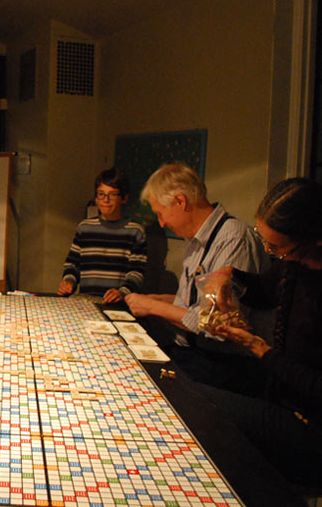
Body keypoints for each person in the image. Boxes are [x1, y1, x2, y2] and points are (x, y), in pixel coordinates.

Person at [197, 178, 322, 486]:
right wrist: (226, 275)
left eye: (275, 247)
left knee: (201, 408)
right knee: (189, 394)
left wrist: (261, 350)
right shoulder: (296, 264)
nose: (268, 251)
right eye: (263, 241)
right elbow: (266, 291)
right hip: (278, 397)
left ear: (312, 239)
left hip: (311, 426)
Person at [124, 164, 271, 390]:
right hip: (193, 354)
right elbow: (192, 304)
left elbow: (216, 324)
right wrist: (159, 300)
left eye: (160, 214)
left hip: (223, 365)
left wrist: (152, 307)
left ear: (180, 201)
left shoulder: (233, 239)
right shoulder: (196, 241)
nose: (162, 223)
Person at [58, 168, 147, 303]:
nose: (106, 200)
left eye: (112, 194)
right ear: (96, 198)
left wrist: (122, 292)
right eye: (101, 194)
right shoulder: (85, 227)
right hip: (86, 303)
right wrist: (68, 281)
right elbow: (72, 264)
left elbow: (136, 273)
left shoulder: (135, 231)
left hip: (117, 306)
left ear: (124, 198)